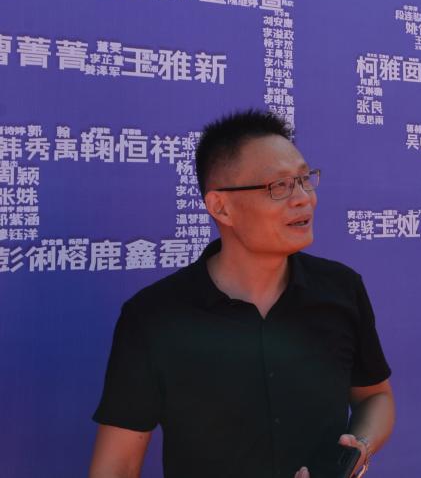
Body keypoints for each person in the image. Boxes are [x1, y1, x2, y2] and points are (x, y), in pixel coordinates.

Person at [89, 109, 394, 478]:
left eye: (304, 179)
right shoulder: (154, 317)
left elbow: (375, 396)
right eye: (279, 186)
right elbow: (117, 466)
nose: (304, 199)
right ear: (221, 207)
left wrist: (358, 448)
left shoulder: (341, 289)